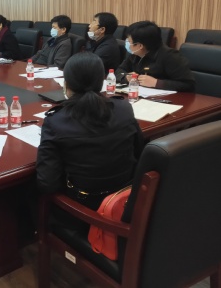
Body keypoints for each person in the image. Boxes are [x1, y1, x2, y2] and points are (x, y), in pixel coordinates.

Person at [35, 52, 144, 230]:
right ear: (101, 81)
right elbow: (139, 152)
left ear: (66, 84)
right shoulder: (124, 108)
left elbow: (47, 183)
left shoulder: (56, 121)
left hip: (83, 212)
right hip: (123, 201)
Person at [115, 21, 195, 91]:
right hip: (139, 95)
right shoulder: (135, 54)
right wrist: (126, 77)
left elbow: (188, 85)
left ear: (140, 46)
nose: (127, 44)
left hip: (167, 99)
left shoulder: (170, 56)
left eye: (129, 41)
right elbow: (119, 70)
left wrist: (157, 83)